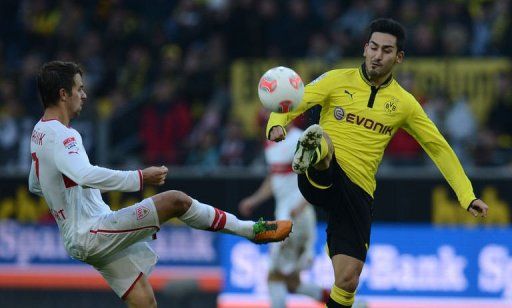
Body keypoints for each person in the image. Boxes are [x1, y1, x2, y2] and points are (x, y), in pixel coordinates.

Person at [28, 61, 292, 308]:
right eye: (79, 89)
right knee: (175, 200)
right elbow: (85, 175)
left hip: (83, 233)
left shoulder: (40, 131)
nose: (84, 95)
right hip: (92, 232)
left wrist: (63, 203)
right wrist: (140, 178)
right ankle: (251, 231)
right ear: (64, 94)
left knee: (145, 302)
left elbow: (35, 184)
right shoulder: (63, 135)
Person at [265, 18, 489, 308]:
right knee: (321, 137)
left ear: (399, 57)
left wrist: (466, 195)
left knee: (347, 281)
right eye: (373, 47)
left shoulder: (405, 104)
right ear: (364, 49)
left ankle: (316, 147)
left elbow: (438, 148)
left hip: (358, 194)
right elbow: (294, 101)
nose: (377, 55)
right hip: (320, 180)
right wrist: (276, 124)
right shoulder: (335, 80)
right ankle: (315, 149)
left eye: (386, 50)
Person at [238, 114, 329, 308]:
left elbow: (316, 174)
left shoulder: (299, 139)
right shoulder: (270, 145)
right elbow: (275, 177)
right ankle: (350, 305)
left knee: (274, 276)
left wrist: (303, 203)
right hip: (287, 216)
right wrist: (253, 200)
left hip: (295, 217)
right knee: (292, 282)